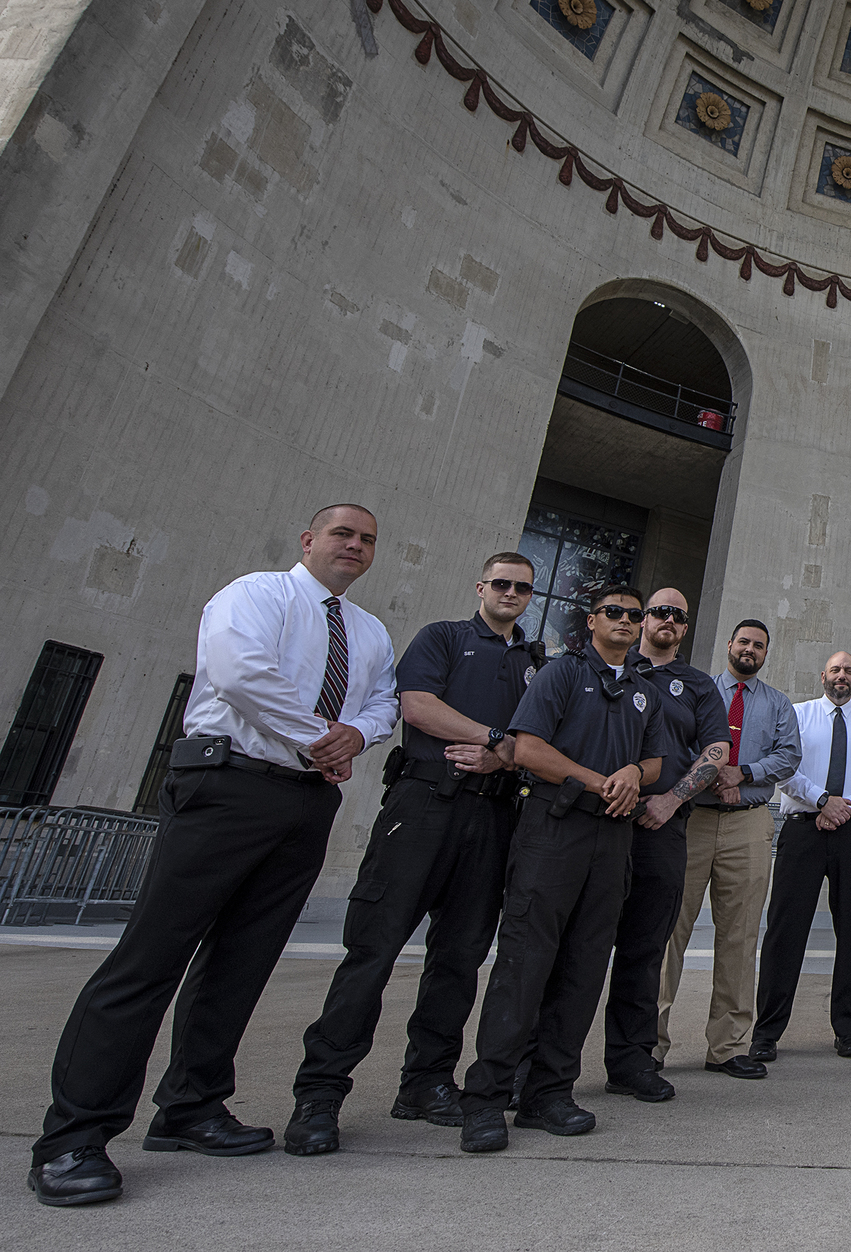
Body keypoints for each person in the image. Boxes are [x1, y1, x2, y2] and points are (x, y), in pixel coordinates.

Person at [30, 505, 397, 1207]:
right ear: (309, 540)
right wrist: (319, 736)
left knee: (241, 963)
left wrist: (354, 735)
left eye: (367, 539)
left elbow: (383, 701)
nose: (355, 545)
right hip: (226, 786)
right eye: (343, 533)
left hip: (306, 801)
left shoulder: (370, 632)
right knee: (151, 957)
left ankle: (191, 1106)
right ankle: (73, 1137)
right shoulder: (253, 594)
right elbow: (237, 673)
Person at [284, 553, 544, 1156]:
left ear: (531, 597)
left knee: (459, 960)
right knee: (373, 950)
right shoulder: (444, 638)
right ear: (480, 586)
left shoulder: (537, 662)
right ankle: (320, 1094)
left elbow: (541, 742)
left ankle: (426, 1084)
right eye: (500, 583)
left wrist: (503, 757)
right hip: (423, 806)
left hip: (494, 814)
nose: (510, 593)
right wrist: (497, 740)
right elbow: (417, 706)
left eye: (522, 587)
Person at [456, 588, 663, 1153]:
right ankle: (487, 1098)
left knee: (584, 966)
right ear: (593, 620)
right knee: (525, 963)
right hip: (555, 827)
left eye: (634, 615)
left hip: (612, 838)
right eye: (614, 612)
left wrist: (632, 773)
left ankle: (550, 1093)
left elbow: (658, 760)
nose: (625, 621)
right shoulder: (561, 674)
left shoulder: (643, 691)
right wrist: (601, 781)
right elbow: (526, 749)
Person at [654, 619, 800, 1079]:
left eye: (759, 646)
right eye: (744, 642)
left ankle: (729, 1046)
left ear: (764, 654)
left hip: (748, 825)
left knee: (739, 936)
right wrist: (715, 775)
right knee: (667, 929)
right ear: (730, 645)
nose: (750, 650)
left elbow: (789, 754)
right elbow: (676, 739)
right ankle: (647, 1043)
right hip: (690, 821)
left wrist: (746, 772)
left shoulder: (777, 703)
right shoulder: (695, 689)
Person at [601, 589, 728, 1103]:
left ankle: (631, 1060)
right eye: (659, 612)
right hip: (597, 823)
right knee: (573, 944)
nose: (668, 620)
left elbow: (716, 749)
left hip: (659, 827)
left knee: (645, 947)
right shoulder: (609, 667)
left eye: (679, 615)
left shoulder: (697, 685)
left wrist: (671, 801)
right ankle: (537, 1064)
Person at [751, 650, 851, 1060]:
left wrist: (842, 807)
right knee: (785, 929)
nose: (842, 676)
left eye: (849, 670)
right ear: (822, 676)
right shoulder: (795, 715)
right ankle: (767, 1032)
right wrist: (821, 800)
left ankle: (848, 1029)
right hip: (802, 830)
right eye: (836, 669)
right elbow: (782, 766)